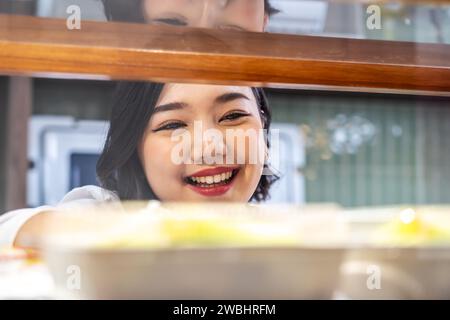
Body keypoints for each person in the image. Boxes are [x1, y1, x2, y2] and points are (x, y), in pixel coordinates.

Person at [0, 0, 280, 248]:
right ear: (134, 144)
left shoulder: (277, 231)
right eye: (173, 125)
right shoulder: (113, 213)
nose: (210, 147)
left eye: (232, 116)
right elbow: (11, 230)